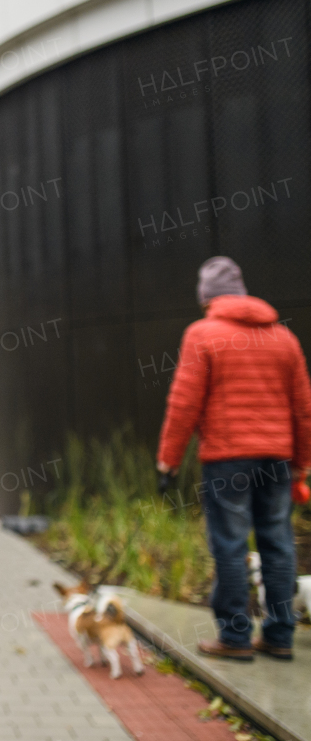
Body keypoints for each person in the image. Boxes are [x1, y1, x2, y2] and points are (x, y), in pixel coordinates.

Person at [157, 256, 311, 662]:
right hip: (277, 459)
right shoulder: (284, 338)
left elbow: (184, 403)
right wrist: (303, 461)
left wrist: (168, 460)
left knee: (229, 544)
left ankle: (235, 637)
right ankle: (279, 635)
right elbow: (303, 408)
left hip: (228, 459)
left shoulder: (202, 333)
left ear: (207, 297)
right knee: (278, 544)